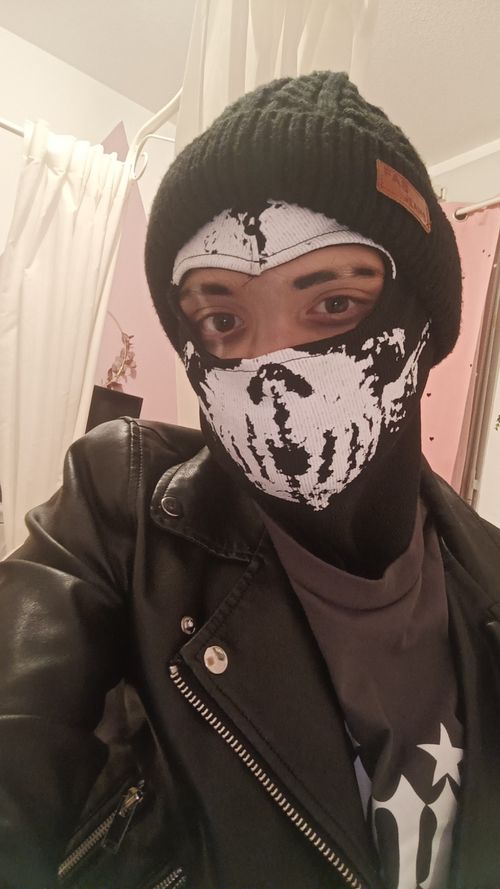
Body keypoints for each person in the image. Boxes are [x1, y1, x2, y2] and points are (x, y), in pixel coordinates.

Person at [1, 71, 499, 889]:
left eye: (333, 304)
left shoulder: (490, 578)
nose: (271, 371)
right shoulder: (122, 512)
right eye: (223, 320)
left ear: (422, 327)